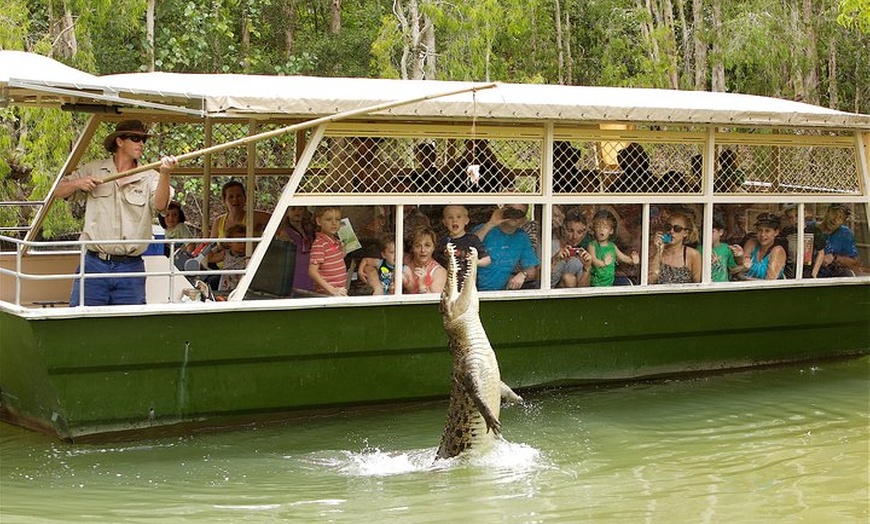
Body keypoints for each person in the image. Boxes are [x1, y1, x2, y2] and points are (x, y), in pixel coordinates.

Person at [55, 119, 178, 306]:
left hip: (130, 267)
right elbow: (58, 191)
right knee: (81, 322)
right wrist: (78, 183)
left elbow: (161, 206)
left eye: (143, 139)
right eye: (135, 138)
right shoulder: (94, 169)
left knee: (129, 327)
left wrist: (165, 173)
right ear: (120, 141)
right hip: (93, 264)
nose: (141, 144)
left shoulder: (151, 176)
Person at [472, 204, 540, 291]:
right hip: (473, 290)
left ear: (523, 220)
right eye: (510, 211)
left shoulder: (521, 237)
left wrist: (523, 274)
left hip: (500, 292)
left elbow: (532, 270)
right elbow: (468, 247)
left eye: (518, 213)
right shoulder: (485, 228)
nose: (513, 215)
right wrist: (491, 223)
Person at [435, 205, 491, 285]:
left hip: (468, 284)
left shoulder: (472, 239)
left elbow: (487, 260)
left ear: (466, 220)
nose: (454, 220)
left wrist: (476, 262)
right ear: (444, 222)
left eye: (459, 217)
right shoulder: (443, 241)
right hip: (448, 284)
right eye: (450, 217)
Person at [649, 209, 702, 285]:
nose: (671, 231)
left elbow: (697, 285)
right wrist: (658, 251)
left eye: (677, 229)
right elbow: (651, 280)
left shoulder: (693, 255)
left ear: (685, 233)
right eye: (668, 227)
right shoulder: (657, 251)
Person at [588, 209, 639, 286]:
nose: (601, 229)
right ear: (594, 229)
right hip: (596, 282)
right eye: (598, 226)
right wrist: (603, 263)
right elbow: (593, 260)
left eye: (605, 227)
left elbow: (622, 258)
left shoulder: (612, 246)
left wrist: (633, 260)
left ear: (611, 231)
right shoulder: (592, 245)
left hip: (610, 282)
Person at [810, 204, 859, 278]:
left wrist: (834, 258)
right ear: (828, 211)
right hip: (808, 272)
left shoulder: (845, 234)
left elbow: (854, 262)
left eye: (840, 217)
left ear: (843, 221)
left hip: (833, 274)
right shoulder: (808, 228)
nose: (835, 219)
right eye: (834, 214)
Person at [309, 206, 348, 296]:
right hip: (326, 295)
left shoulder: (336, 241)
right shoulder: (320, 244)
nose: (334, 223)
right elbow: (312, 271)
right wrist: (331, 289)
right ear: (319, 221)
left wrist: (342, 252)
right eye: (329, 219)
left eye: (337, 220)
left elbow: (331, 262)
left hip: (339, 292)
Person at [276, 205, 316, 291]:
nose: (297, 212)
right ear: (287, 212)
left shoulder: (309, 230)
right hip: (295, 268)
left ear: (304, 211)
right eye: (293, 209)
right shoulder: (285, 232)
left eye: (300, 209)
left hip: (309, 267)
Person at [551, 210, 592, 288]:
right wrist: (555, 260)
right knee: (568, 279)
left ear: (583, 235)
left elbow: (583, 290)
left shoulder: (581, 255)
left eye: (579, 232)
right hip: (546, 296)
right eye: (571, 231)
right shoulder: (549, 246)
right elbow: (537, 279)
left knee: (569, 278)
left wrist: (587, 268)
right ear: (563, 230)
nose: (574, 236)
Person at [741, 213, 787, 280]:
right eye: (760, 230)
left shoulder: (777, 251)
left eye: (767, 231)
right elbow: (739, 272)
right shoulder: (751, 243)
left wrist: (746, 278)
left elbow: (770, 281)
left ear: (776, 232)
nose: (762, 234)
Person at [402, 226, 447, 294]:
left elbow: (434, 303)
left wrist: (422, 286)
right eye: (418, 246)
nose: (423, 250)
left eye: (427, 245)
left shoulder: (439, 272)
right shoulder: (404, 261)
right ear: (412, 248)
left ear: (433, 247)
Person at [705, 214, 744, 282]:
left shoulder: (726, 248)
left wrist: (742, 263)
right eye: (705, 230)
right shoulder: (699, 249)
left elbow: (732, 269)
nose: (708, 234)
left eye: (712, 231)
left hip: (723, 286)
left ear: (721, 232)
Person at [216, 224, 248, 293]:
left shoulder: (248, 256)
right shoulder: (225, 254)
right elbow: (209, 258)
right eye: (239, 242)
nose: (243, 245)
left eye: (245, 242)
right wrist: (219, 247)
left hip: (240, 287)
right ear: (230, 242)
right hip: (225, 287)